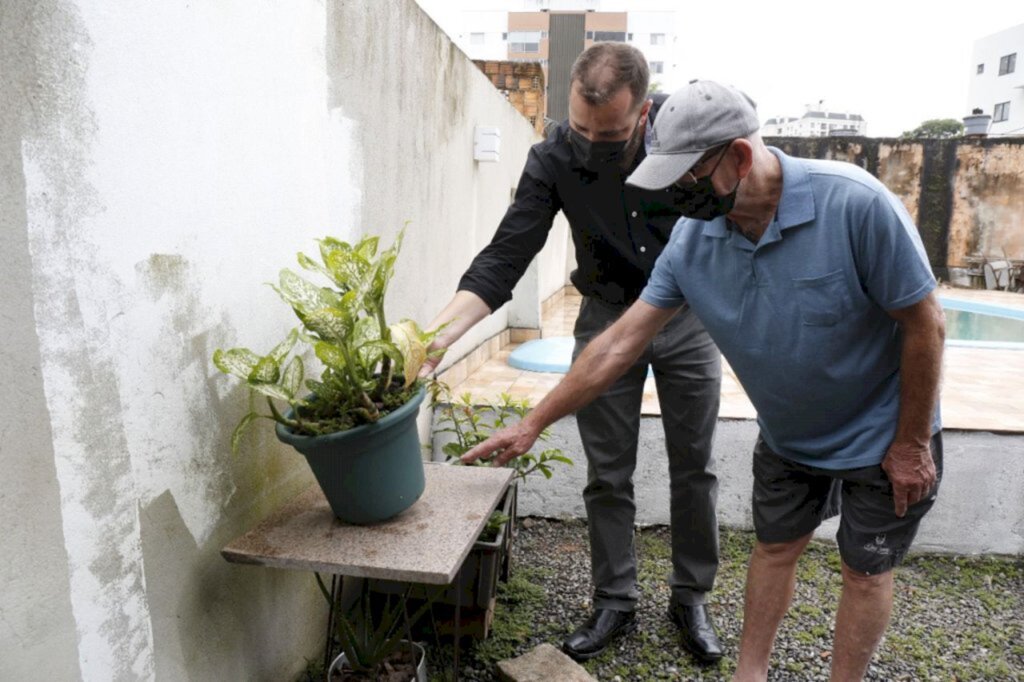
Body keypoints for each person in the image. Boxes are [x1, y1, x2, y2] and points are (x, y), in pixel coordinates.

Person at [460, 79, 945, 681]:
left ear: (738, 156)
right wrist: (534, 422)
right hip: (791, 436)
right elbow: (618, 343)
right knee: (773, 551)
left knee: (864, 570)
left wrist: (911, 443)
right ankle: (750, 674)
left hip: (882, 432)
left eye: (686, 178)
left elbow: (926, 323)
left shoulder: (856, 204)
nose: (676, 196)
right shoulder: (694, 239)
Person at [421, 44, 724, 663]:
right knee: (607, 472)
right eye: (580, 128)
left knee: (695, 466)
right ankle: (615, 598)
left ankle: (691, 596)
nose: (589, 144)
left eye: (608, 134)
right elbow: (507, 255)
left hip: (687, 317)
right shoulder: (555, 155)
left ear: (644, 113)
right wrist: (439, 336)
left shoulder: (686, 138)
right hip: (606, 319)